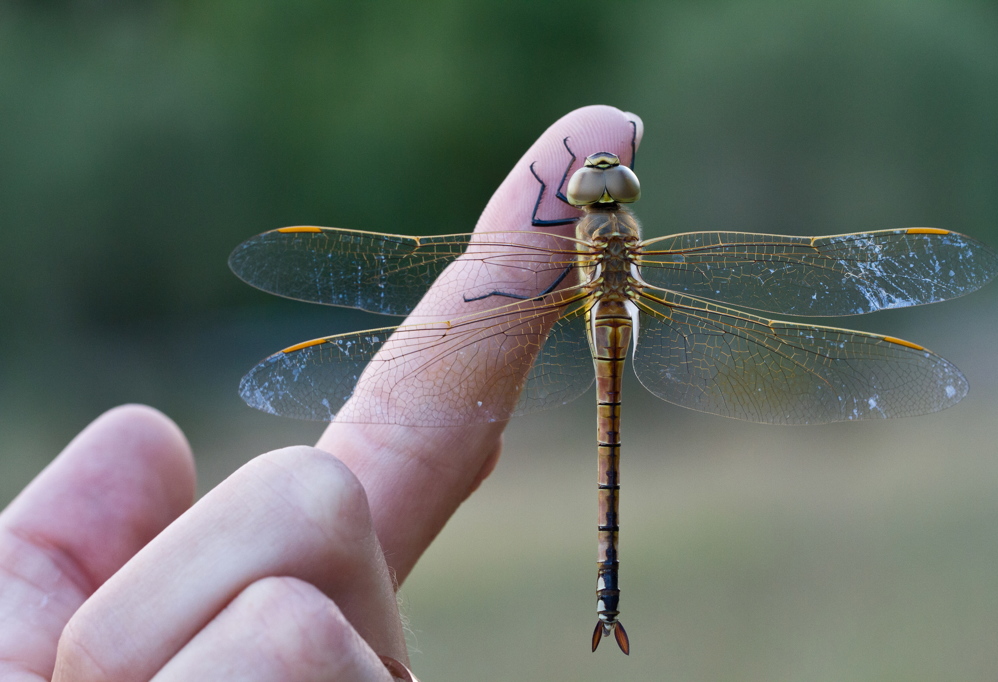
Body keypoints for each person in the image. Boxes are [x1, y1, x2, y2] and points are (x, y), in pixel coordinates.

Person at [0, 106, 642, 681]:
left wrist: (546, 188)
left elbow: (536, 226)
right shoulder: (621, 240)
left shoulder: (568, 235)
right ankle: (608, 601)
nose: (600, 189)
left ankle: (606, 600)